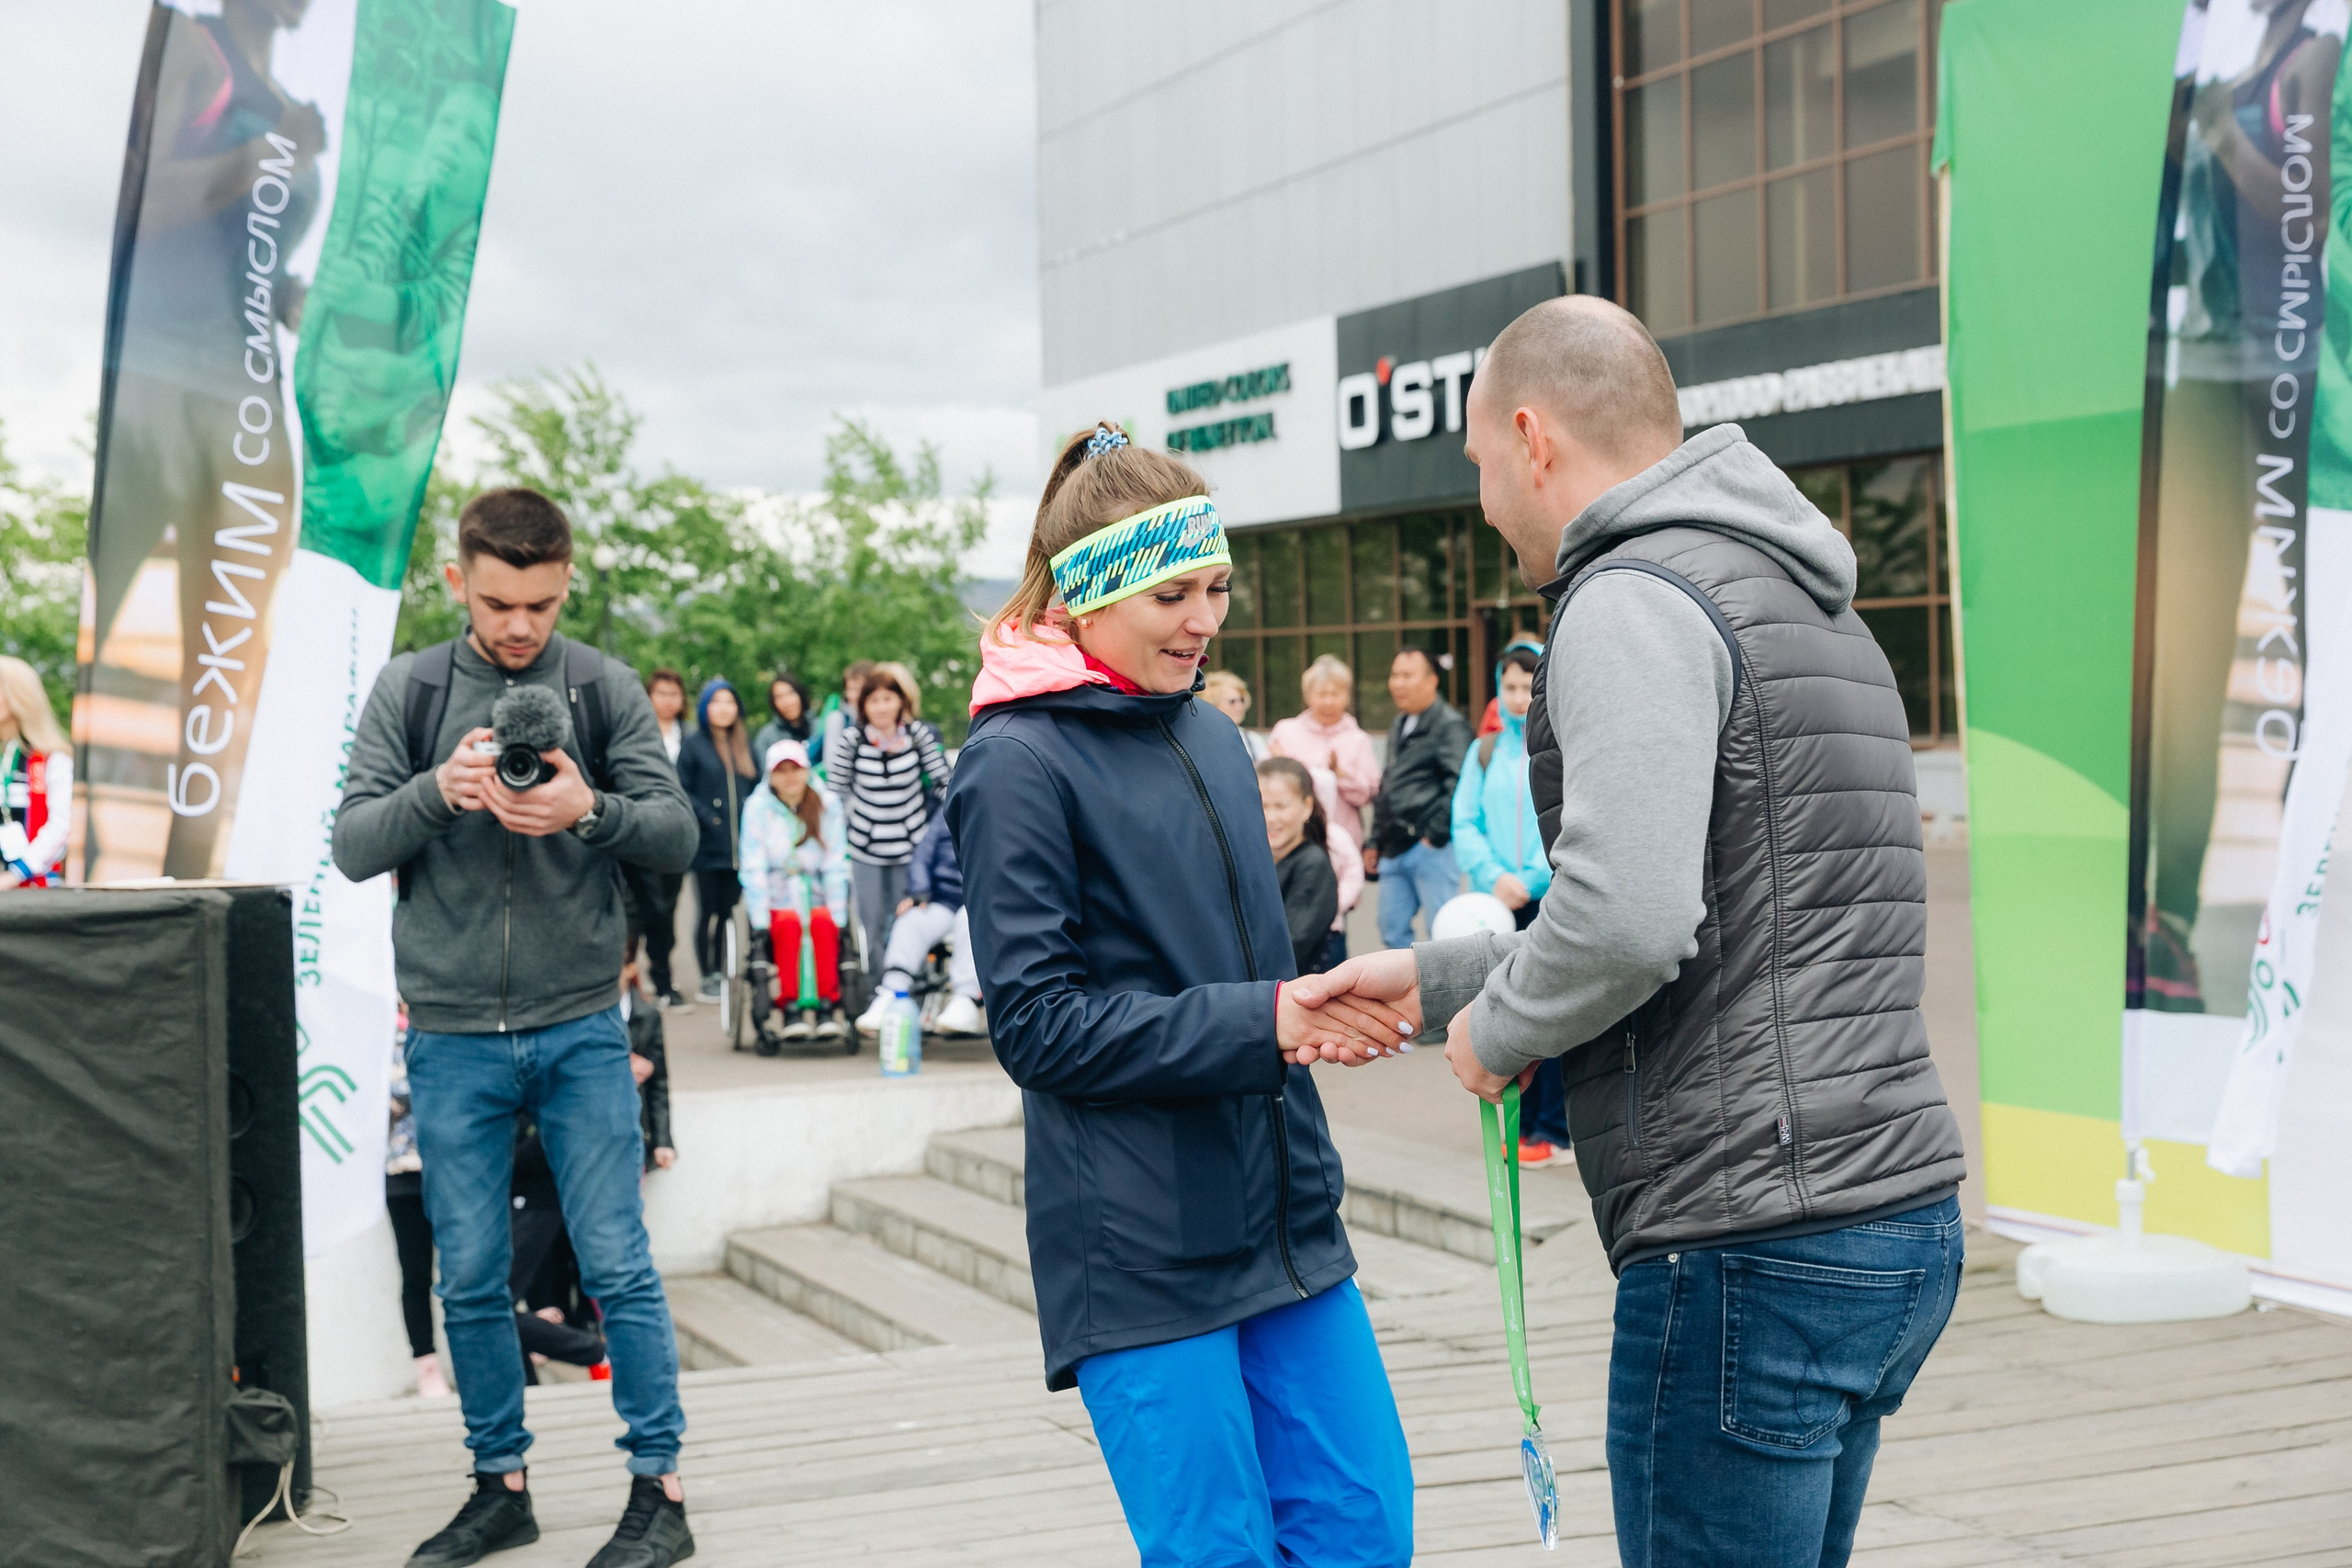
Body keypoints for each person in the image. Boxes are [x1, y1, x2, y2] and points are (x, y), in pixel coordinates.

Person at [1292, 298, 1968, 1568]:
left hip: (1750, 1237)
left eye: (1483, 466)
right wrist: (1443, 978)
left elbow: (1632, 915)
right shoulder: (1804, 599)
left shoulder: (1629, 598)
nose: (1487, 504)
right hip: (1887, 1214)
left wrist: (1494, 1031)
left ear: (1535, 439)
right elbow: (1738, 926)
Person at [949, 421, 1417, 1568]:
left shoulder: (1214, 734)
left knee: (1367, 1534)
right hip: (1140, 1253)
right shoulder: (1014, 763)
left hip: (1287, 1219)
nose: (1204, 620)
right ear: (1090, 596)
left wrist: (1314, 1002)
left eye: (1215, 587)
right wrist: (1267, 1020)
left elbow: (1240, 968)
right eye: (1172, 594)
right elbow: (1038, 1026)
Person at [331, 486, 700, 1568]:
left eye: (538, 602)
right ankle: (501, 1487)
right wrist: (440, 791)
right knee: (471, 1278)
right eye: (497, 602)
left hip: (581, 1023)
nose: (519, 627)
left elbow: (675, 835)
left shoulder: (600, 686)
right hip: (448, 1036)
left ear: (565, 582)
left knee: (619, 1265)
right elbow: (353, 844)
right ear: (457, 580)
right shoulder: (409, 690)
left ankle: (660, 1493)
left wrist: (589, 811)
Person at [1450, 646, 1570, 1165]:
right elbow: (1464, 823)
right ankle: (1521, 1131)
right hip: (1498, 905)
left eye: (1530, 686)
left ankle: (1554, 1131)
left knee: (1554, 1017)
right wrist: (1496, 877)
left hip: (1553, 901)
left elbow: (1575, 824)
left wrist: (1532, 879)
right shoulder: (1483, 751)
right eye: (1512, 686)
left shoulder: (1565, 748)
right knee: (1508, 1016)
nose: (1520, 698)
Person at [830, 665, 953, 1034]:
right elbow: (834, 792)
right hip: (866, 849)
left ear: (901, 702)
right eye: (874, 700)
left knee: (906, 924)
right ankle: (877, 997)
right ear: (863, 706)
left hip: (910, 848)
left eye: (888, 699)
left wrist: (944, 831)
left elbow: (945, 784)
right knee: (872, 924)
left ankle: (908, 1001)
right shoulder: (853, 741)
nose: (881, 707)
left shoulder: (918, 736)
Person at [739, 739, 852, 1043]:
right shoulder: (757, 807)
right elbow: (753, 865)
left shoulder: (827, 804)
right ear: (771, 776)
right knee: (788, 923)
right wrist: (759, 918)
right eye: (781, 771)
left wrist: (838, 912)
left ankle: (827, 1006)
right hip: (777, 895)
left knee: (824, 922)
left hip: (816, 892)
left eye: (795, 769)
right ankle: (791, 1008)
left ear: (806, 771)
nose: (789, 776)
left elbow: (835, 862)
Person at [1265, 656, 1374, 962]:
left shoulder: (1357, 740)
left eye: (1335, 693)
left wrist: (1343, 777)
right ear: (1307, 695)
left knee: (1330, 929)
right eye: (1321, 693)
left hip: (1335, 846)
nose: (1327, 701)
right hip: (1285, 844)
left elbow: (1369, 792)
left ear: (1347, 695)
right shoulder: (1286, 731)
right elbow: (1266, 779)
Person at [1365, 646, 1472, 949]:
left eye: (1407, 675)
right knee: (1391, 928)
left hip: (1431, 849)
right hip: (1394, 847)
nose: (1397, 683)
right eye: (1394, 675)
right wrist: (1375, 840)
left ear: (1431, 680)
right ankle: (1410, 994)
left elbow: (1460, 785)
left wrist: (1434, 834)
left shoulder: (1449, 725)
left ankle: (1449, 996)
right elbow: (1388, 785)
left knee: (1442, 932)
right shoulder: (1400, 724)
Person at [678, 678, 760, 1002]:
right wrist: (707, 818)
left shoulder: (745, 745)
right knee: (707, 912)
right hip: (708, 847)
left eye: (729, 702)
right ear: (705, 707)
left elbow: (757, 790)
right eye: (716, 702)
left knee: (728, 913)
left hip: (741, 849)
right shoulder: (694, 745)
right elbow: (682, 788)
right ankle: (707, 974)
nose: (723, 709)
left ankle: (725, 970)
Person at [384, 1010, 451, 1400]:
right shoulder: (381, 1034)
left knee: (466, 1268)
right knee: (416, 1273)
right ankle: (427, 1366)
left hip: (450, 1169)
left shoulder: (441, 1025)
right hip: (402, 1174)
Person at [874, 810, 985, 1036]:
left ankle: (966, 998)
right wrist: (919, 891)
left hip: (981, 897)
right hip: (940, 899)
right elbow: (923, 854)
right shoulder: (945, 810)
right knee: (911, 921)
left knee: (971, 920)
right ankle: (892, 992)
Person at [622, 669, 690, 1009]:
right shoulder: (632, 732)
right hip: (637, 836)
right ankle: (628, 980)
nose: (667, 700)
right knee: (634, 911)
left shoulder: (689, 737)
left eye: (673, 694)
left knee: (665, 911)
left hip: (673, 837)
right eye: (660, 693)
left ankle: (663, 979)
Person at [1258, 757, 1340, 977]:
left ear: (1307, 807)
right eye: (1262, 805)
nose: (1270, 817)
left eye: (1280, 806)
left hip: (1297, 994)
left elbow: (1292, 944)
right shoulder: (1254, 860)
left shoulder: (1313, 864)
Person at [0, 656, 72, 890]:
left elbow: (61, 826)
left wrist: (15, 875)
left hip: (35, 893)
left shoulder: (53, 758)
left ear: (18, 696)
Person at [620, 948, 675, 1170]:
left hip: (635, 1128)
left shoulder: (647, 1015)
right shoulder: (585, 1015)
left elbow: (659, 1083)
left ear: (629, 969)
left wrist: (663, 1141)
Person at [814, 660, 876, 788]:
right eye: (851, 689)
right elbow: (831, 766)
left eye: (861, 689)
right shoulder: (838, 720)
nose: (856, 696)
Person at [1203, 669, 1270, 761]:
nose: (1240, 706)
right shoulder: (1202, 739)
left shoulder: (1253, 740)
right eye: (1232, 701)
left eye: (1242, 700)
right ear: (1213, 704)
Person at [750, 671, 813, 763]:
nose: (787, 702)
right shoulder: (767, 737)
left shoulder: (819, 727)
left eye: (790, 693)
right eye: (779, 697)